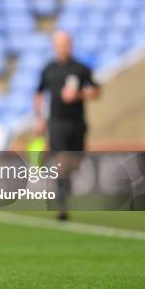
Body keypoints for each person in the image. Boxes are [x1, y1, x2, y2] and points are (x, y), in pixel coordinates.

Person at [35, 31, 101, 220]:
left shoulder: (80, 68)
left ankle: (64, 188)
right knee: (62, 163)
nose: (63, 47)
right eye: (59, 43)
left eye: (66, 43)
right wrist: (39, 118)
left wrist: (79, 95)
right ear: (54, 46)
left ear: (70, 45)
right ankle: (62, 206)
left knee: (75, 163)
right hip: (56, 123)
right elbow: (39, 93)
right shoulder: (48, 69)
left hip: (77, 123)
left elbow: (96, 91)